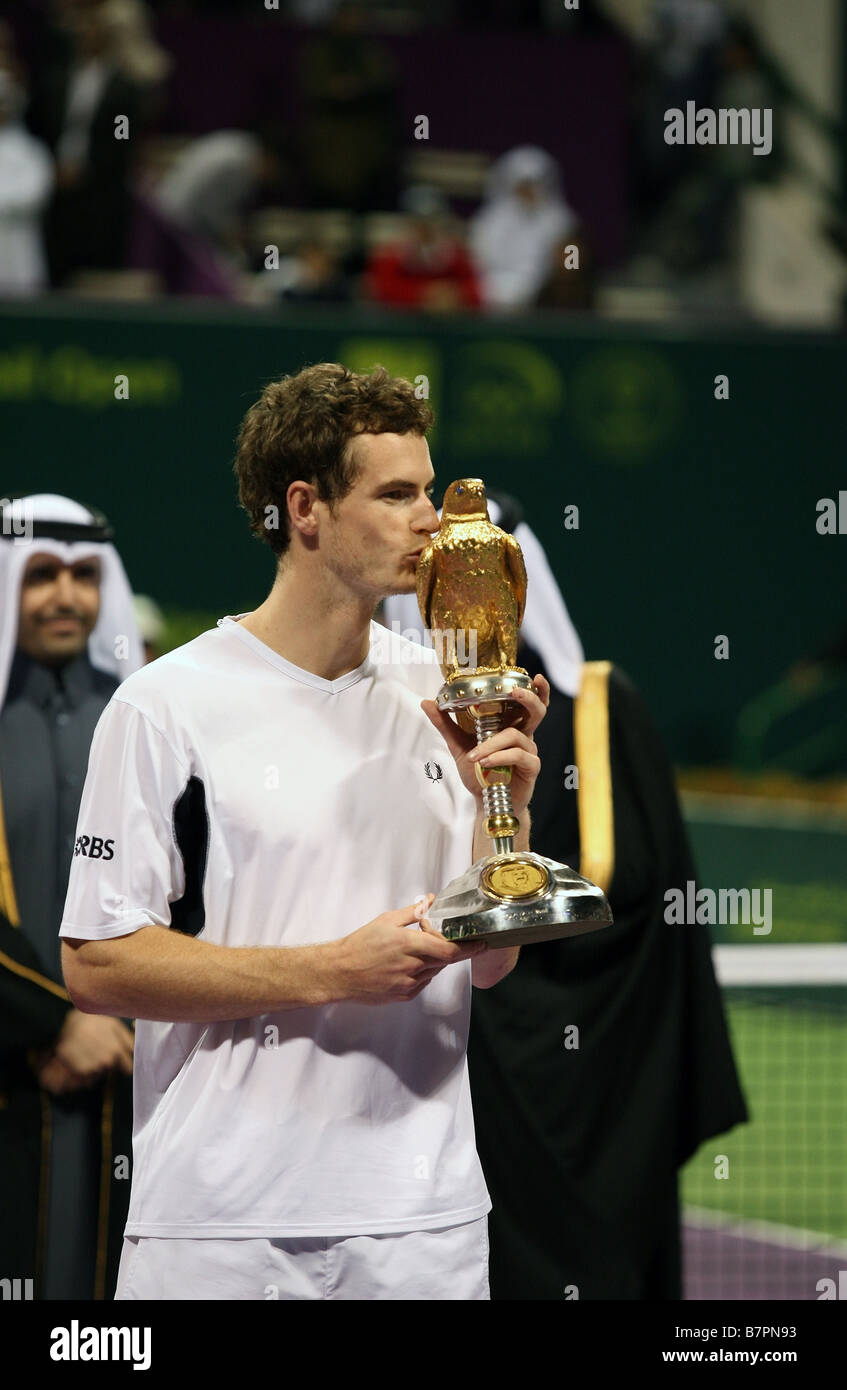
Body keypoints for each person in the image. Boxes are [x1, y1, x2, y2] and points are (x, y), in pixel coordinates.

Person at [59, 363, 551, 1301]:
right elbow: (96, 966)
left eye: (428, 490)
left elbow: (491, 965)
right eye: (397, 493)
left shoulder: (440, 694)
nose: (429, 521)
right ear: (305, 509)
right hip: (220, 1227)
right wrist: (332, 970)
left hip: (423, 1223)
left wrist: (507, 827)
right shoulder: (166, 705)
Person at [383, 491, 748, 1299]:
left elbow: (662, 915)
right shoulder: (378, 725)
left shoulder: (605, 711)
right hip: (442, 1066)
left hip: (608, 1081)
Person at [0, 493, 145, 1299]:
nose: (66, 597)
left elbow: (182, 892)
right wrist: (54, 1020)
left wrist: (112, 1020)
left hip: (123, 1064)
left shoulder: (139, 716)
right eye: (40, 575)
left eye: (85, 575)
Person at [469, 146, 579, 310]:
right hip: (489, 294)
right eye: (523, 184)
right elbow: (477, 258)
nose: (528, 191)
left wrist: (566, 272)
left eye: (533, 184)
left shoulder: (562, 221)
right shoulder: (489, 220)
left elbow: (572, 262)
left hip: (543, 298)